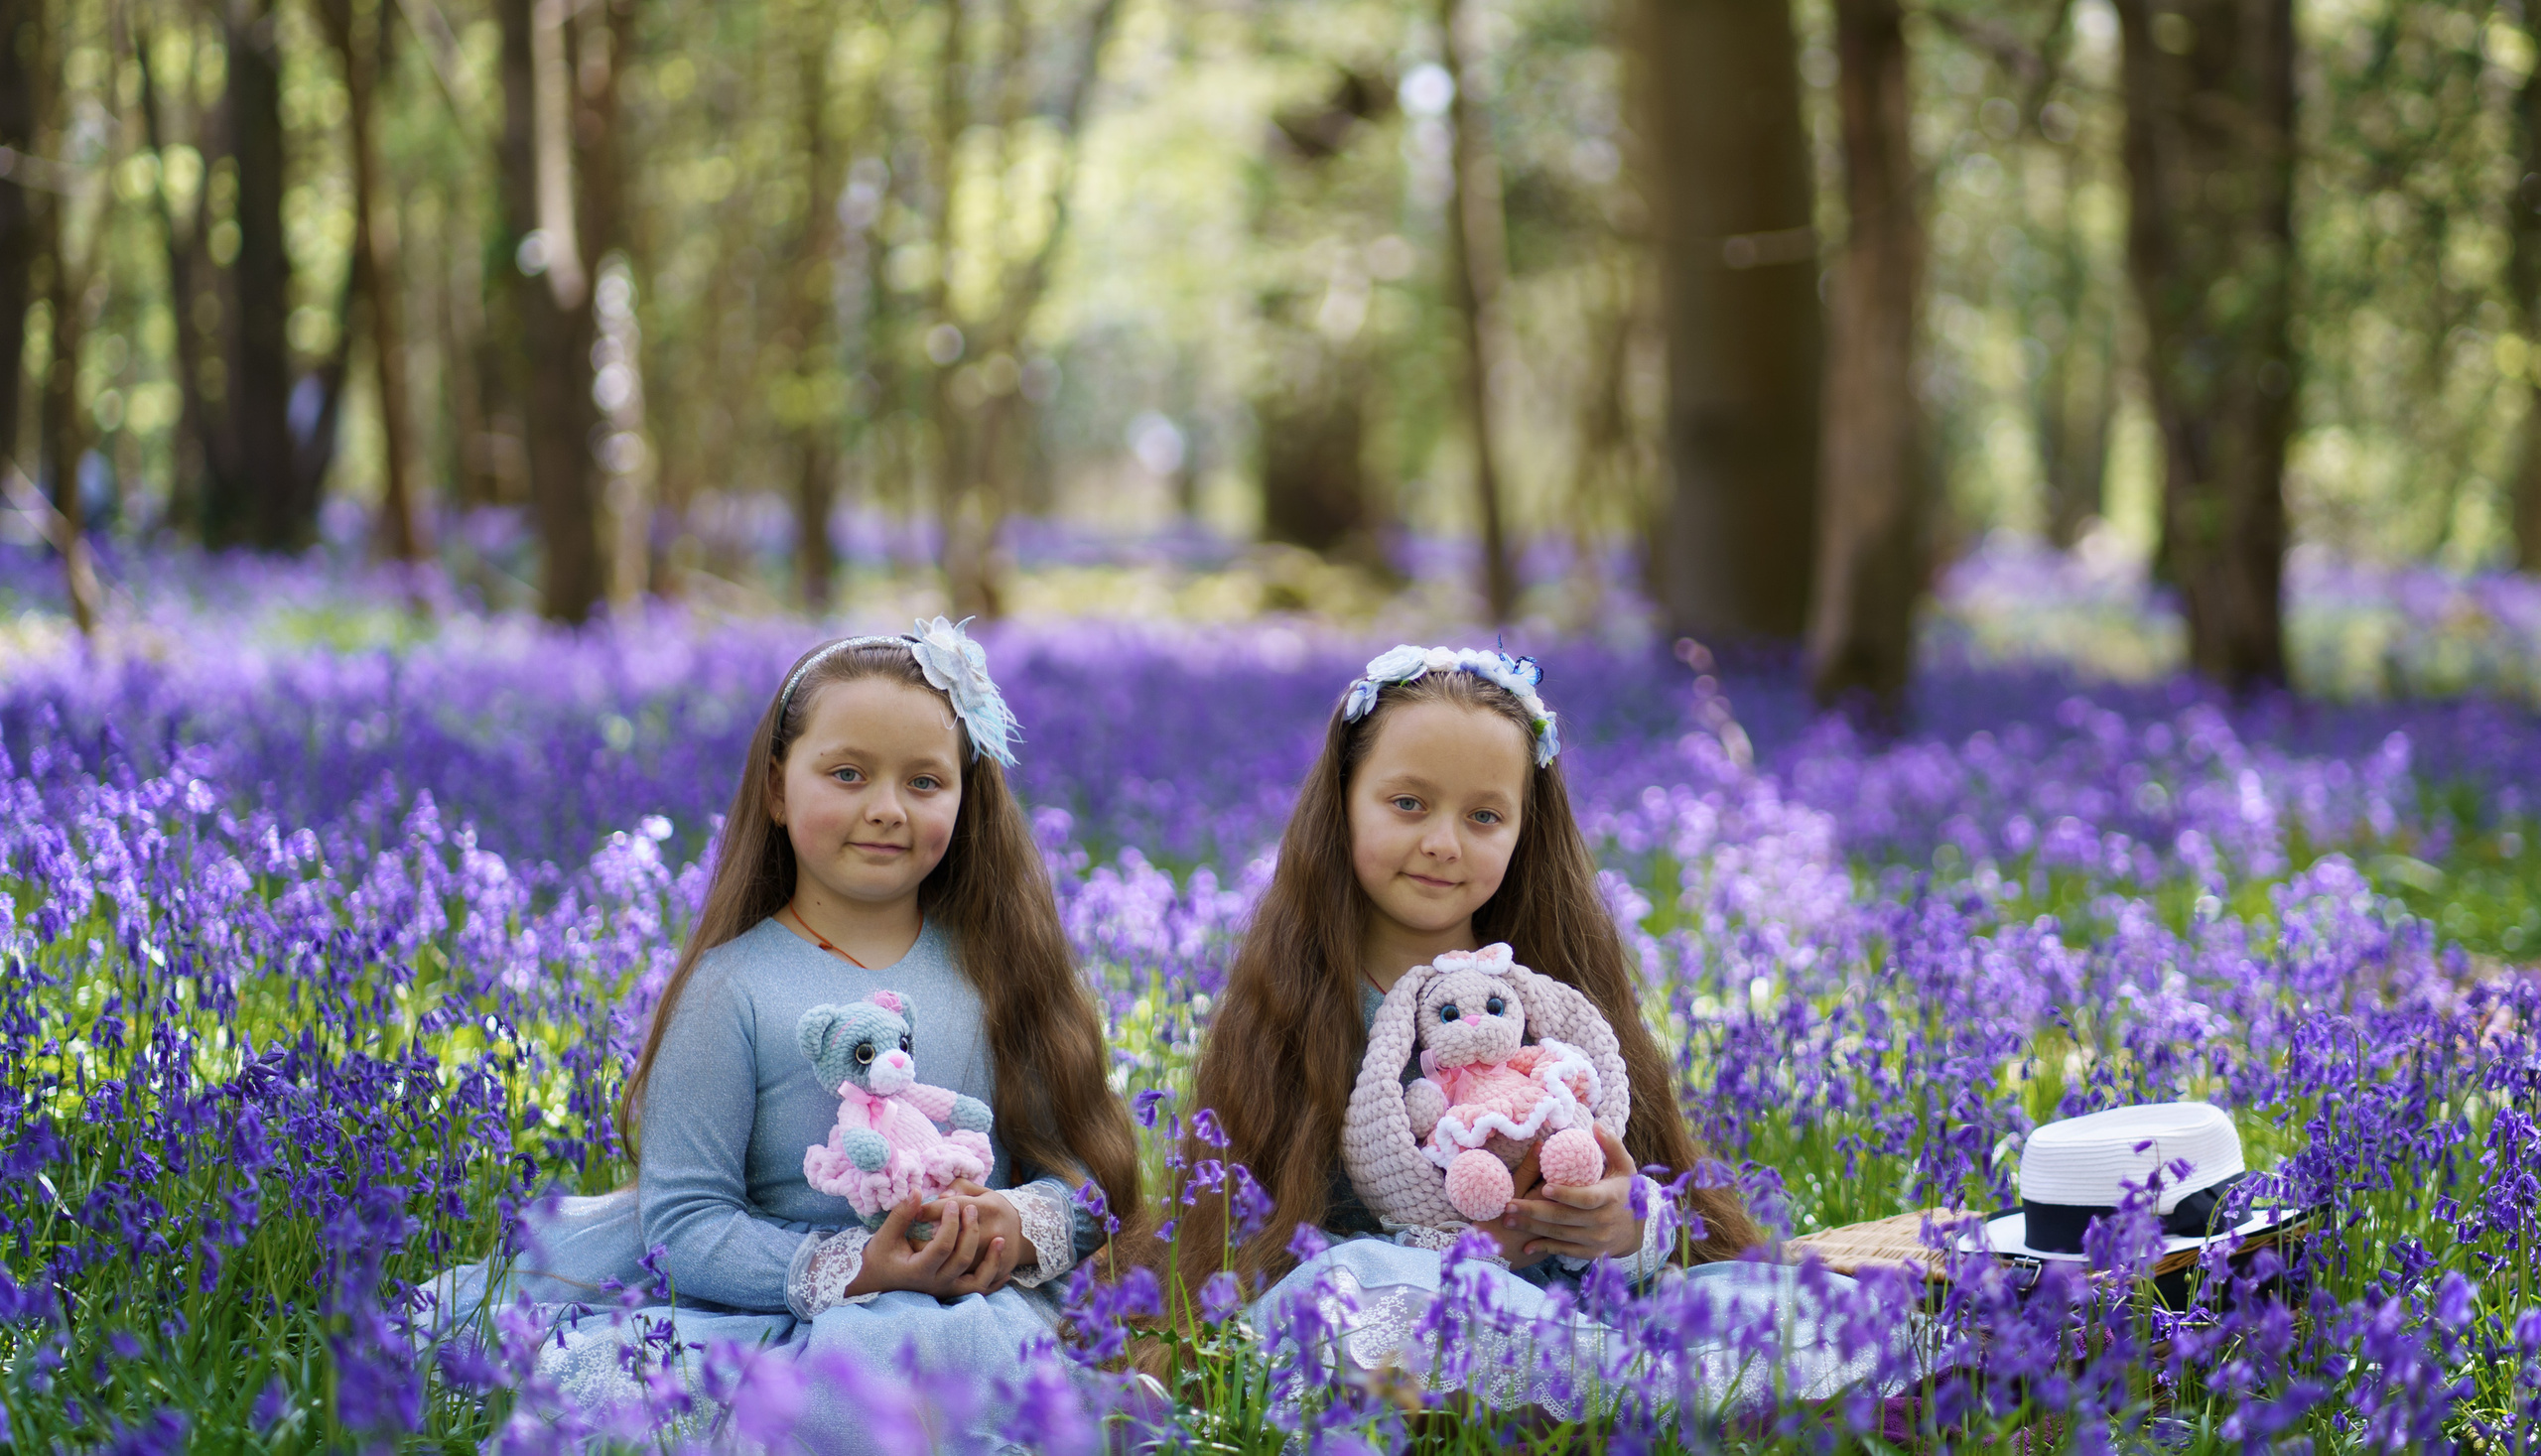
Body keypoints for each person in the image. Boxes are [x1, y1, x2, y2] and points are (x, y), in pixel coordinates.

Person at [424, 618, 1142, 1448]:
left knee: (946, 1362)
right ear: (776, 787)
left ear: (965, 794)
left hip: (970, 1312)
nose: (885, 808)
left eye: (924, 782)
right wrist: (855, 1269)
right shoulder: (731, 987)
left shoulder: (999, 973)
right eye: (847, 773)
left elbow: (1080, 1175)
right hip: (770, 1311)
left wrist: (1010, 1225)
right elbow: (686, 1221)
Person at [1170, 644, 1900, 1417]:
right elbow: (1268, 1237)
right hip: (1414, 1299)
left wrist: (1624, 1225)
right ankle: (1653, 1396)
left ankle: (1607, 1388)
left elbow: (1649, 1195)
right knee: (1350, 1294)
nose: (1444, 842)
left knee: (1782, 1303)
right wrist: (1465, 1254)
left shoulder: (1551, 997)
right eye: (1408, 804)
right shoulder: (1302, 1003)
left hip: (1580, 1307)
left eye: (1484, 815)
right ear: (1344, 798)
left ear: (1524, 830)